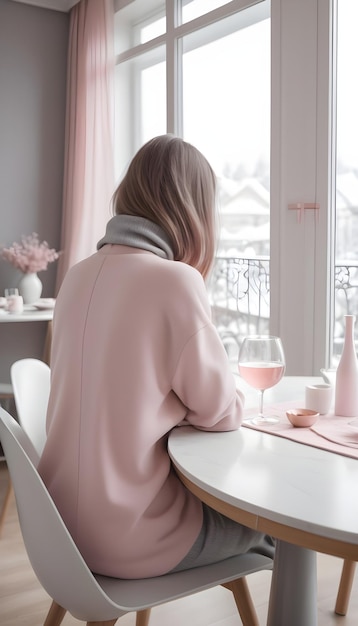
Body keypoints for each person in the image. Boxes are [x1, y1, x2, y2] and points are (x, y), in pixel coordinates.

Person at [38, 134, 274, 579]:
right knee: (276, 526)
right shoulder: (174, 281)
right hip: (130, 535)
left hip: (58, 528)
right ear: (193, 209)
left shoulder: (76, 276)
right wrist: (189, 407)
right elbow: (221, 412)